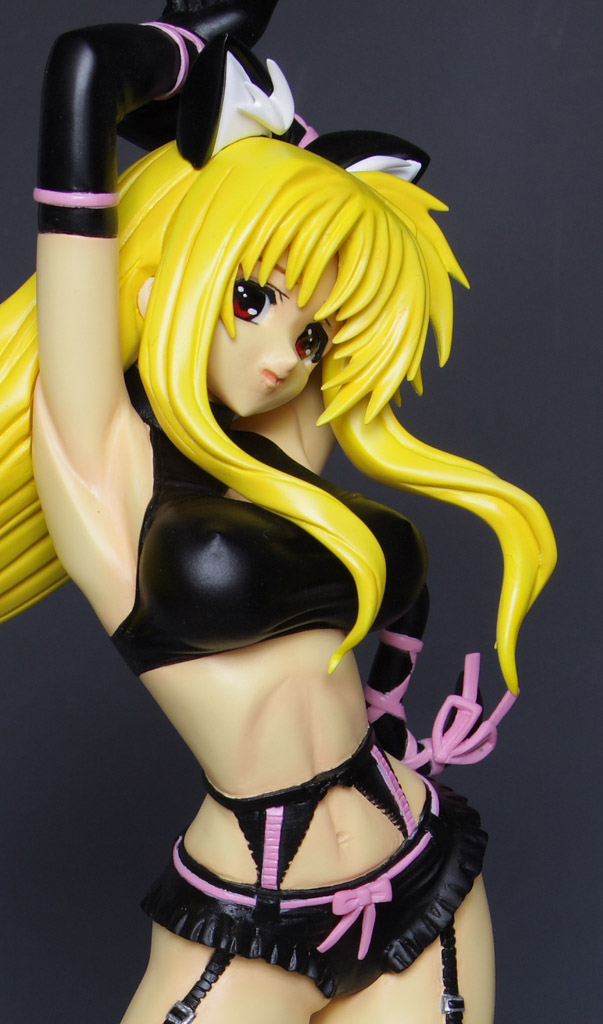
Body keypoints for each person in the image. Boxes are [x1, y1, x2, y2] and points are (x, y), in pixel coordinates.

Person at [0, 3, 556, 1022]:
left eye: (310, 335)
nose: (280, 358)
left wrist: (291, 158)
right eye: (252, 298)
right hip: (250, 911)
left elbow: (312, 264)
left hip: (420, 867)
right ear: (167, 282)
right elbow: (83, 69)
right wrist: (191, 57)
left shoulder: (286, 452)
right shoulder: (108, 473)